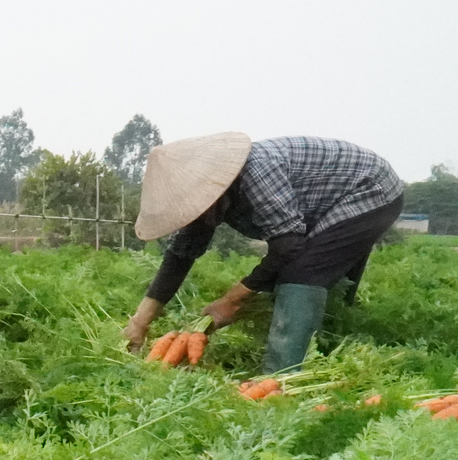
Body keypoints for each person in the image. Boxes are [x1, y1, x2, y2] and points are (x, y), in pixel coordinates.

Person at [126, 134, 405, 373]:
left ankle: (279, 379)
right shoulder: (207, 203)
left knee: (302, 274)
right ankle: (329, 351)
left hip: (370, 188)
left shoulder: (256, 172)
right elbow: (179, 257)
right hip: (328, 205)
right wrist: (140, 323)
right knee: (322, 274)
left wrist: (232, 300)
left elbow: (288, 245)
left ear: (212, 192)